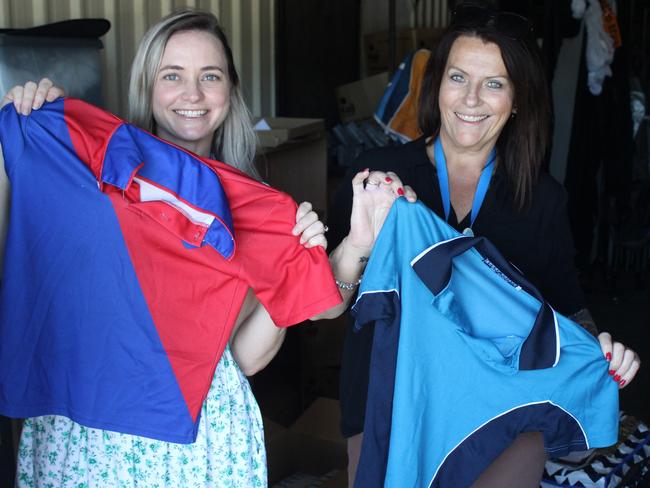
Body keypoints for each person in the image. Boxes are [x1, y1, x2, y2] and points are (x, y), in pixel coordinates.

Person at [0, 10, 416, 487]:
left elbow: (245, 359)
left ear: (230, 90)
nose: (192, 95)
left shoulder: (252, 206)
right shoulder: (89, 175)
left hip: (198, 438)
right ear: (147, 87)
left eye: (209, 76)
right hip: (88, 430)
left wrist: (299, 263)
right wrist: (26, 126)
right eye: (172, 75)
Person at [327, 5, 641, 487]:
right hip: (388, 408)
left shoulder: (541, 201)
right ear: (437, 86)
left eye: (494, 83)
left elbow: (568, 316)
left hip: (499, 421)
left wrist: (598, 352)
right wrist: (356, 245)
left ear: (517, 99)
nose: (471, 98)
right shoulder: (379, 176)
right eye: (458, 77)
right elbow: (321, 307)